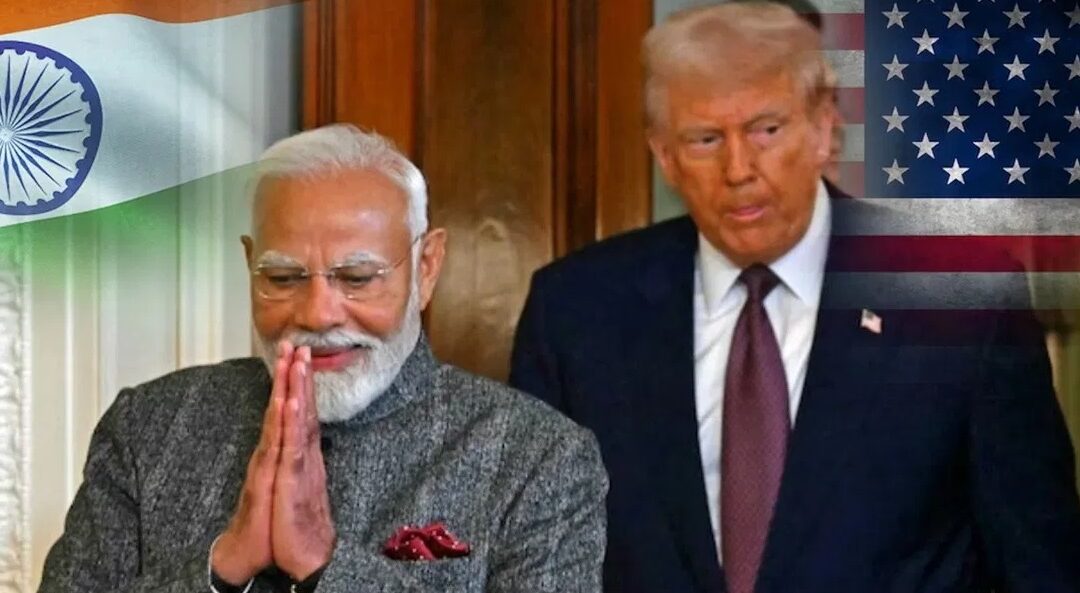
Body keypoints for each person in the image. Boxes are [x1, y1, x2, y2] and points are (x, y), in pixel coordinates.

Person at [510, 3, 1080, 593]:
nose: (739, 169)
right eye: (705, 139)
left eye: (767, 130)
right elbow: (536, 559)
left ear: (824, 129)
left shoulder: (960, 298)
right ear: (665, 157)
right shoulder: (576, 311)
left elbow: (1040, 563)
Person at [39, 124, 608, 593]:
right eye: (282, 278)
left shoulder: (537, 457)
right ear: (249, 263)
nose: (317, 314)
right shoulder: (150, 427)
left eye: (357, 278)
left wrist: (325, 564)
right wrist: (222, 567)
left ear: (427, 267)